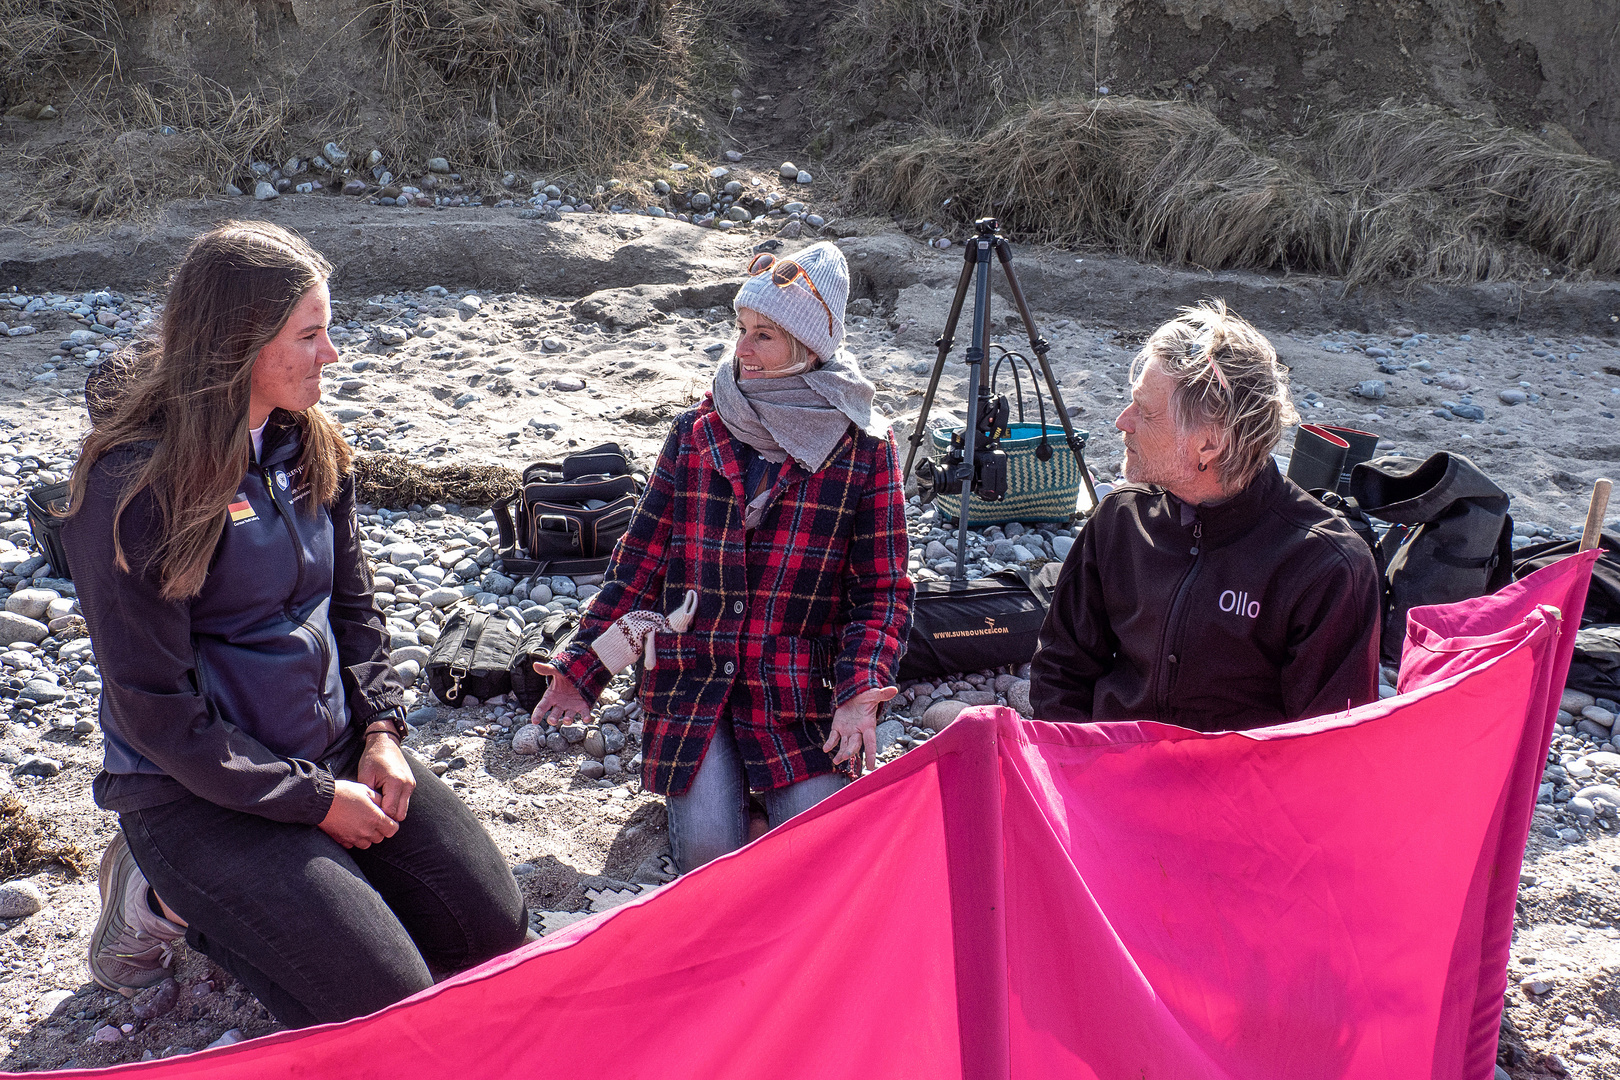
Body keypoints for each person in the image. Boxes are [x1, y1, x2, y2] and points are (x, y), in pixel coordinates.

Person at [63, 221, 526, 1026]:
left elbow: (354, 610)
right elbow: (156, 713)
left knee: (495, 938)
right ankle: (158, 896)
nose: (332, 356)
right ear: (238, 344)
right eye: (311, 335)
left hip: (332, 748)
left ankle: (323, 891)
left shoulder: (309, 445)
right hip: (196, 796)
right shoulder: (132, 490)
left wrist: (381, 733)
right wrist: (313, 804)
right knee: (390, 1009)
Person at [530, 241, 914, 873]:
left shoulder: (865, 449)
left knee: (814, 855)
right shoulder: (697, 432)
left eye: (764, 335)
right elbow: (640, 563)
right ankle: (727, 798)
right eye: (741, 329)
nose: (742, 349)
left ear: (808, 345)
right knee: (709, 855)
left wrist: (859, 692)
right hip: (695, 682)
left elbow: (884, 591)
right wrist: (581, 670)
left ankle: (760, 801)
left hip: (794, 693)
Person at [1030, 301, 1380, 730]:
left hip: (1234, 791)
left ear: (1208, 445)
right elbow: (1061, 669)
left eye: (1146, 411)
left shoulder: (1324, 567)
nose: (1123, 421)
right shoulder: (1121, 518)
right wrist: (1073, 769)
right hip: (1109, 775)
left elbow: (1326, 749)